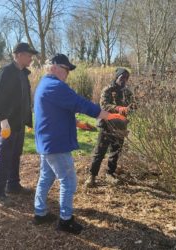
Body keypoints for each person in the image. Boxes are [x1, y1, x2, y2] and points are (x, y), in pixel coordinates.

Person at [32, 53, 125, 234]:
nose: (67, 73)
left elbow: (52, 111)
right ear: (54, 67)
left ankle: (40, 212)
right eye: (66, 69)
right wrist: (105, 114)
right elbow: (78, 102)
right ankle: (65, 221)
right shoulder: (56, 86)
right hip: (56, 144)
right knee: (68, 180)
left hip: (46, 142)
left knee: (46, 177)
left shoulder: (43, 84)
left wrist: (77, 123)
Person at [0, 42, 38, 205]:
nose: (31, 58)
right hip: (7, 123)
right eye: (29, 55)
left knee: (15, 154)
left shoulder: (23, 74)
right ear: (18, 55)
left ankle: (13, 185)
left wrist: (28, 120)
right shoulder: (6, 72)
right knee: (4, 156)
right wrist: (2, 120)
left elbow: (24, 99)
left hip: (19, 122)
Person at [85, 67, 134, 187]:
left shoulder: (127, 92)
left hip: (120, 126)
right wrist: (118, 108)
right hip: (106, 125)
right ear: (117, 77)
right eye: (122, 77)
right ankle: (92, 176)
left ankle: (110, 174)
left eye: (126, 78)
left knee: (116, 151)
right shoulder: (108, 89)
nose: (124, 80)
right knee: (99, 152)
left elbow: (131, 106)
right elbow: (104, 105)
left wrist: (133, 107)